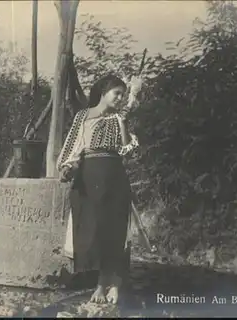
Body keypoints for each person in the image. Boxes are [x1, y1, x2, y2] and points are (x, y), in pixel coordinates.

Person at [57, 74, 143, 304]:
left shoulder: (118, 118)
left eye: (123, 95)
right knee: (91, 231)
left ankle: (111, 283)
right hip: (88, 176)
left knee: (113, 230)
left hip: (113, 176)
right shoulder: (82, 116)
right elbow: (73, 146)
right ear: (104, 92)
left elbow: (126, 150)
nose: (120, 98)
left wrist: (127, 114)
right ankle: (101, 282)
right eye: (117, 93)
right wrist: (66, 167)